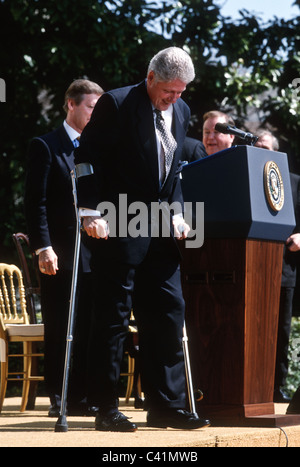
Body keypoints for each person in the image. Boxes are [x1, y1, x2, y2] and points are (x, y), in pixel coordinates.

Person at [74, 47, 211, 432]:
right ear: (151, 77)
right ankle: (105, 407)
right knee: (113, 316)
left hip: (160, 228)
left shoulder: (181, 111)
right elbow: (86, 156)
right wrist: (88, 209)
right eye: (169, 91)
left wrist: (179, 211)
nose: (175, 99)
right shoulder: (116, 104)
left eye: (182, 91)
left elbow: (174, 172)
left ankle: (166, 405)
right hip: (117, 221)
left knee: (168, 311)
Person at [24, 79, 104, 417]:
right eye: (90, 107)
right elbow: (35, 203)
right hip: (59, 252)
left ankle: (82, 396)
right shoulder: (45, 146)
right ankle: (58, 395)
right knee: (59, 326)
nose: (94, 115)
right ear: (70, 104)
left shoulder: (97, 148)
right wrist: (43, 247)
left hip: (94, 254)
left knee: (87, 326)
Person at [255, 129, 300, 403]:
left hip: (284, 265)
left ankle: (277, 386)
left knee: (280, 330)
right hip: (251, 265)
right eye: (256, 147)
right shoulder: (245, 181)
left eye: (265, 148)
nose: (261, 153)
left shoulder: (294, 182)